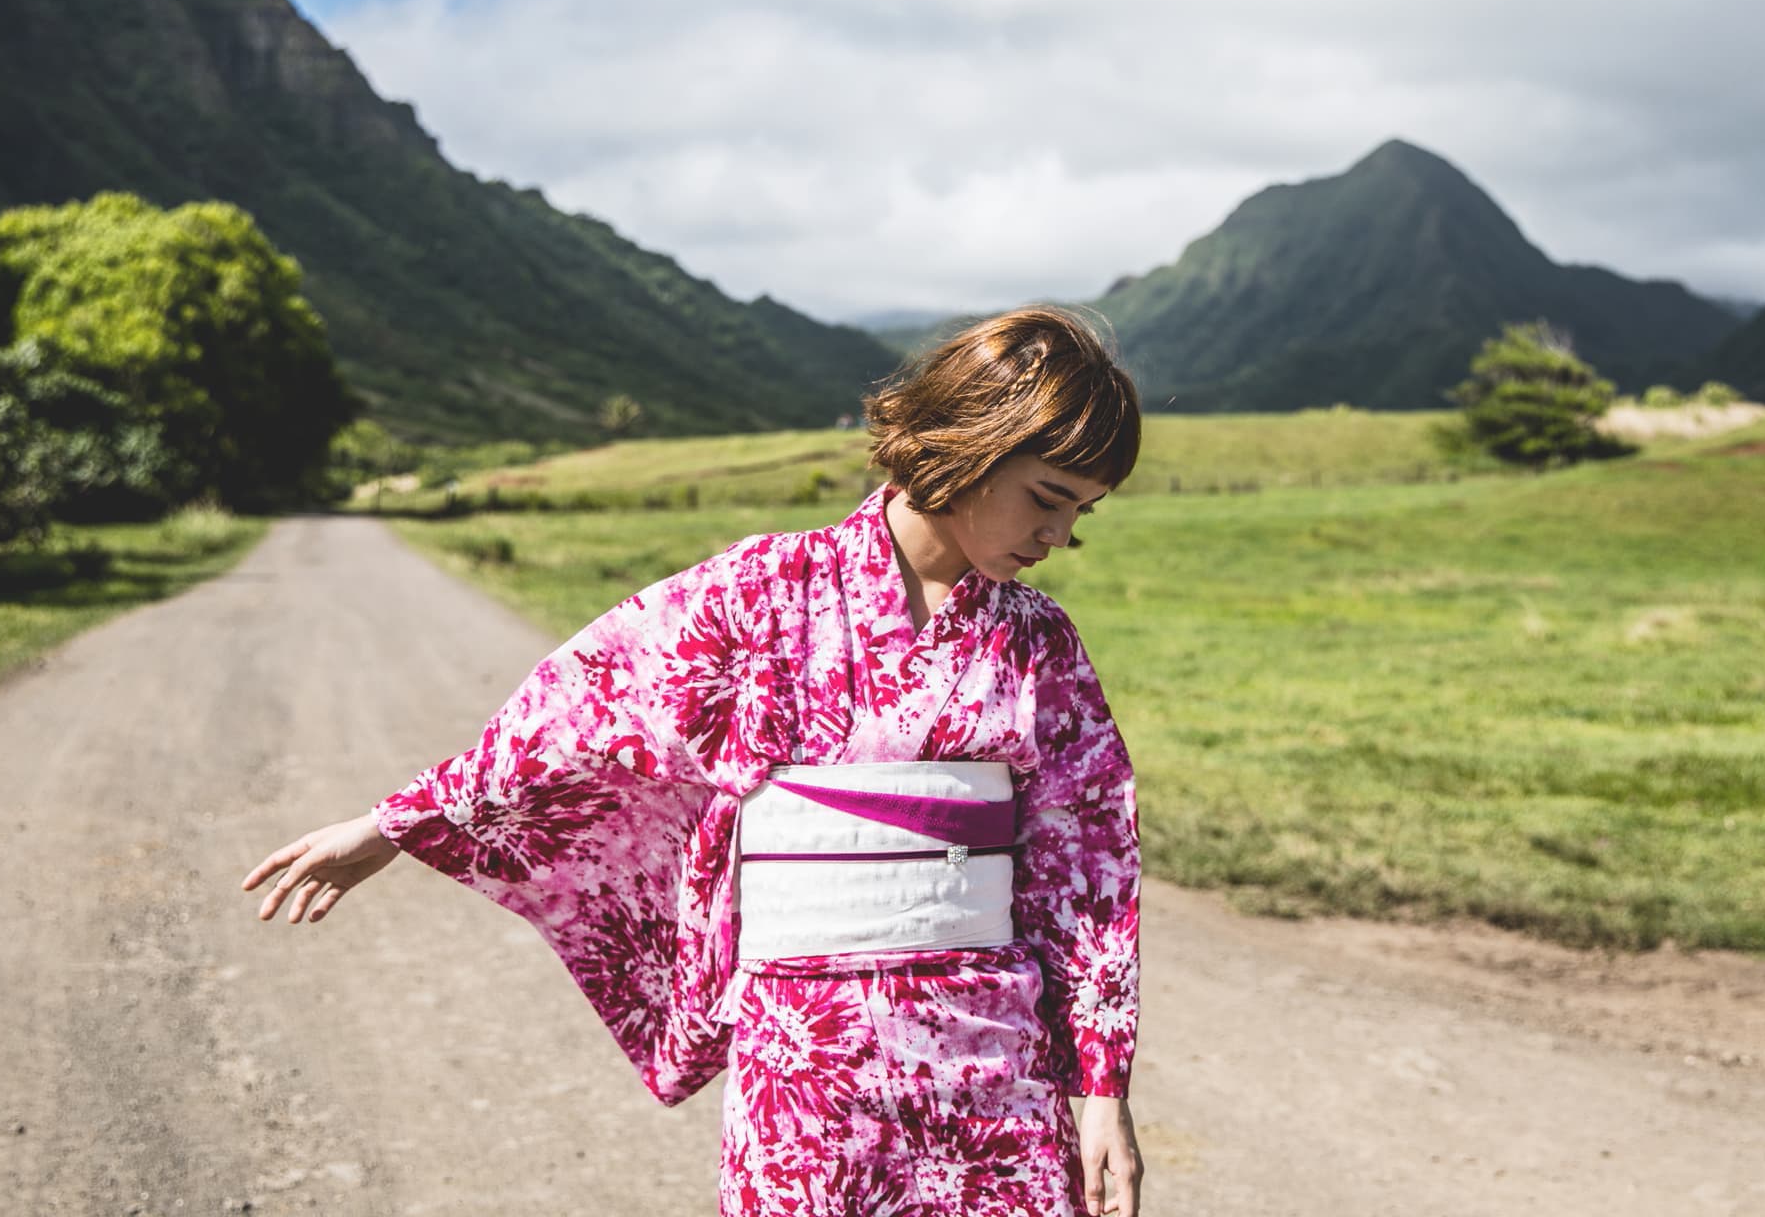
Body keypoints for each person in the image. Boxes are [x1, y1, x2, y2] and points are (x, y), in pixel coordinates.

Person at [242, 306, 1146, 1217]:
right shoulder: (757, 595)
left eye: (1083, 510)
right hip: (806, 1067)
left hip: (996, 1067)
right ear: (969, 445)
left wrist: (1103, 1092)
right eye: (1048, 496)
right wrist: (396, 825)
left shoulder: (1041, 644)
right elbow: (574, 721)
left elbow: (1091, 868)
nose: (1061, 535)